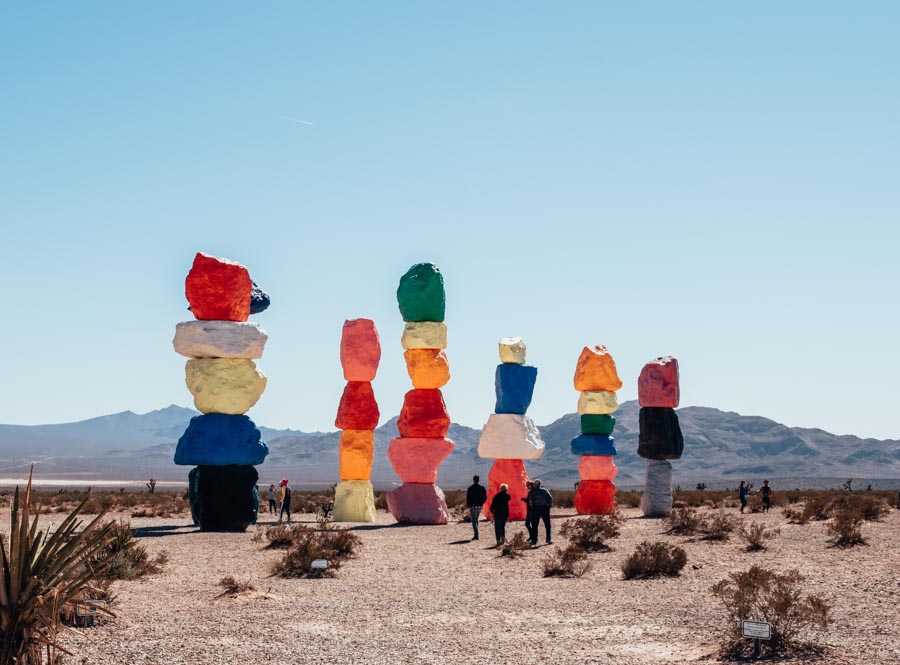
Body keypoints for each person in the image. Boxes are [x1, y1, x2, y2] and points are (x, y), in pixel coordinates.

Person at [528, 479, 553, 544]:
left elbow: (530, 502)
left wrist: (532, 508)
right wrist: (549, 506)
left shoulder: (532, 492)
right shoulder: (545, 491)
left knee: (535, 525)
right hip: (545, 508)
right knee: (547, 525)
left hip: (536, 509)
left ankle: (534, 540)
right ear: (540, 484)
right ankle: (548, 539)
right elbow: (550, 498)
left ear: (534, 485)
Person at [466, 475, 488, 540]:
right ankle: (476, 534)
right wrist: (481, 503)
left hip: (473, 506)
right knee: (476, 520)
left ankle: (476, 535)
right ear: (478, 480)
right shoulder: (482, 488)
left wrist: (469, 505)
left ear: (473, 480)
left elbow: (468, 498)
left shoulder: (470, 488)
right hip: (479, 506)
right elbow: (485, 497)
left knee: (474, 521)